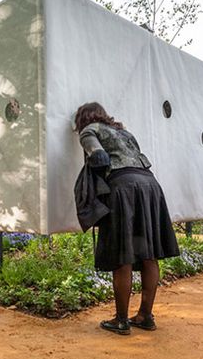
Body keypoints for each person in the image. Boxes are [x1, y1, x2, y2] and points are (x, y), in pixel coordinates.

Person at [74, 102, 179, 335]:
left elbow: (98, 155)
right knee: (148, 253)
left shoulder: (90, 129)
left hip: (123, 187)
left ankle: (121, 320)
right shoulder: (125, 132)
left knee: (123, 253)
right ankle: (145, 316)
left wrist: (95, 156)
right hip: (150, 186)